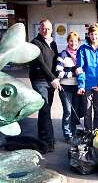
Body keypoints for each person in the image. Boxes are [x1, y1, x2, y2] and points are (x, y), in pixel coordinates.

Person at [29, 19, 61, 152]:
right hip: (40, 80)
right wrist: (53, 78)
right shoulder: (35, 43)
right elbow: (41, 63)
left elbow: (56, 59)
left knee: (45, 111)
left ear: (51, 30)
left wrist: (59, 74)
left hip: (50, 81)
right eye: (43, 28)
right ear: (39, 29)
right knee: (45, 109)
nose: (45, 31)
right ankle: (46, 142)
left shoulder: (52, 43)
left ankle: (47, 139)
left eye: (48, 28)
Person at [76, 23, 98, 131]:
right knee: (87, 111)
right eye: (91, 34)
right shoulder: (83, 49)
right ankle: (88, 133)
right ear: (88, 35)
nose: (94, 36)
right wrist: (81, 85)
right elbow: (80, 68)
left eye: (96, 34)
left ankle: (97, 134)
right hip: (87, 85)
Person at [56, 31, 82, 142]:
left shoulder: (80, 54)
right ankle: (67, 134)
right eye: (71, 41)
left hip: (76, 87)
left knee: (75, 111)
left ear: (78, 42)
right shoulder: (63, 54)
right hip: (65, 88)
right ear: (68, 41)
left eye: (75, 41)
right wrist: (73, 73)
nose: (73, 43)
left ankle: (73, 131)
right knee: (68, 111)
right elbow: (58, 73)